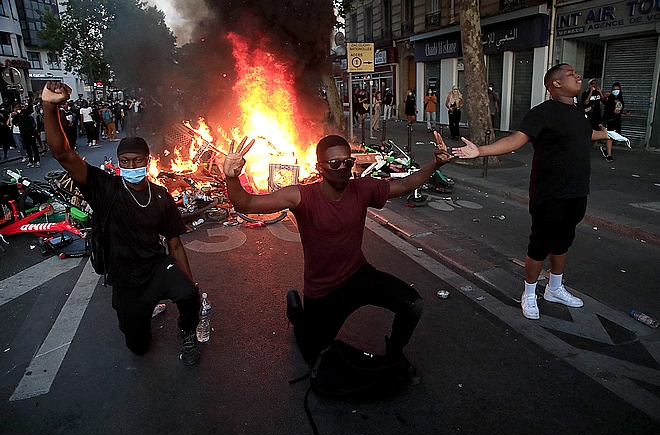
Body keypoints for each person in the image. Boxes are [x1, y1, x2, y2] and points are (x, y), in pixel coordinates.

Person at [223, 133, 453, 384]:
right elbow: (245, 204)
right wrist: (232, 177)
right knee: (313, 354)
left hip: (358, 275)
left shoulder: (363, 189)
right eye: (335, 164)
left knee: (412, 304)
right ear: (319, 167)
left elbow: (406, 185)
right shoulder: (301, 196)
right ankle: (296, 310)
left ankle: (395, 353)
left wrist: (435, 165)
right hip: (323, 290)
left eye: (348, 162)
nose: (343, 168)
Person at [41, 81, 201, 365]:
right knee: (138, 347)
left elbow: (175, 244)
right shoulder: (106, 188)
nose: (131, 166)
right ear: (118, 163)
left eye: (137, 161)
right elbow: (63, 154)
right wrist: (49, 107)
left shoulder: (161, 196)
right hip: (126, 280)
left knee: (188, 294)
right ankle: (138, 318)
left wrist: (189, 282)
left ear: (147, 162)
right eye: (125, 161)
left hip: (155, 268)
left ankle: (187, 332)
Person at [452, 63, 610, 320]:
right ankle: (529, 293)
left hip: (578, 189)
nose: (577, 76)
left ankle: (555, 289)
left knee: (563, 240)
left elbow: (583, 135)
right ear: (556, 84)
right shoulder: (542, 113)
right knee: (541, 243)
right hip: (549, 191)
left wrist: (604, 134)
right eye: (570, 74)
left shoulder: (579, 112)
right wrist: (480, 151)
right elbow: (516, 140)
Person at [601, 82, 627, 162]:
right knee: (610, 137)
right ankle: (609, 155)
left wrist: (625, 112)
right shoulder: (610, 98)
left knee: (615, 138)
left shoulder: (620, 99)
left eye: (617, 89)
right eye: (614, 89)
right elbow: (604, 101)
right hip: (609, 120)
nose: (616, 91)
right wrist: (605, 96)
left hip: (617, 120)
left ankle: (605, 148)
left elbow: (619, 109)